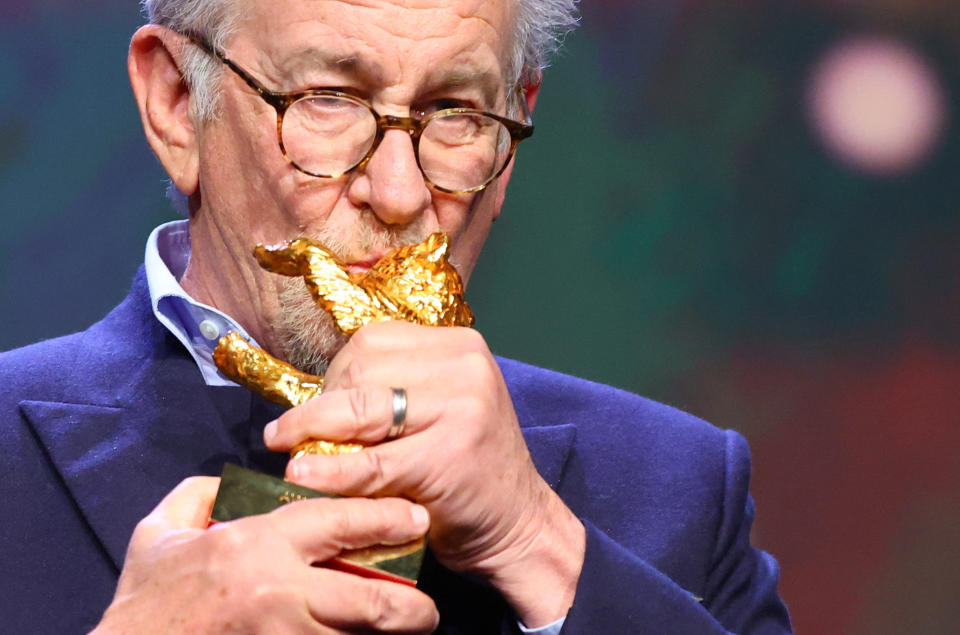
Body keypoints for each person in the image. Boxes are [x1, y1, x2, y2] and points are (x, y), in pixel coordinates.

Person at [0, 0, 791, 632]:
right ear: (176, 103)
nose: (402, 193)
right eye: (329, 100)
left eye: (455, 111)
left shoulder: (678, 487)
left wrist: (537, 543)